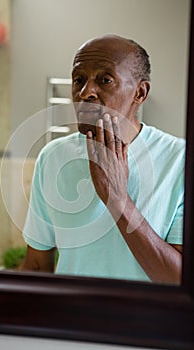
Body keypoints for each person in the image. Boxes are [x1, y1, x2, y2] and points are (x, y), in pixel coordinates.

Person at [22, 34, 185, 284]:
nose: (86, 92)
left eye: (105, 80)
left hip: (148, 324)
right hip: (70, 322)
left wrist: (118, 199)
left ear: (140, 93)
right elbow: (35, 266)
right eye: (79, 80)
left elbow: (179, 280)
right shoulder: (53, 158)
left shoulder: (180, 161)